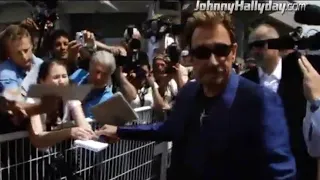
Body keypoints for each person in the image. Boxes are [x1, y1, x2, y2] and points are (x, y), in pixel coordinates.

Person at [95, 11, 296, 180]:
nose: (214, 61)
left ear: (233, 52)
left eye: (221, 50)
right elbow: (168, 130)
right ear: (190, 57)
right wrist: (121, 132)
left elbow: (282, 174)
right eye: (202, 52)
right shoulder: (189, 93)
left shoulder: (261, 101)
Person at [242, 24, 319, 180]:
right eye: (251, 46)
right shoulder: (244, 82)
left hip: (300, 167)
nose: (254, 51)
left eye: (259, 45)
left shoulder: (303, 77)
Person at [27, 60, 95, 148]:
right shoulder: (33, 101)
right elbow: (38, 138)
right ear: (42, 81)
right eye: (56, 77)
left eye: (64, 76)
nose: (62, 81)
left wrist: (88, 132)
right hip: (32, 156)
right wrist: (69, 132)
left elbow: (83, 123)